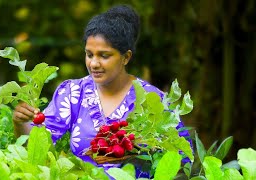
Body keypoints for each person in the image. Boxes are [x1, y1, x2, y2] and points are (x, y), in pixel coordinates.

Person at [13, 4, 192, 178]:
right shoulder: (73, 93)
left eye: (104, 56)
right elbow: (38, 148)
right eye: (89, 54)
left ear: (126, 57)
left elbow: (182, 162)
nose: (94, 63)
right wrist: (20, 123)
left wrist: (144, 151)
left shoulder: (152, 100)